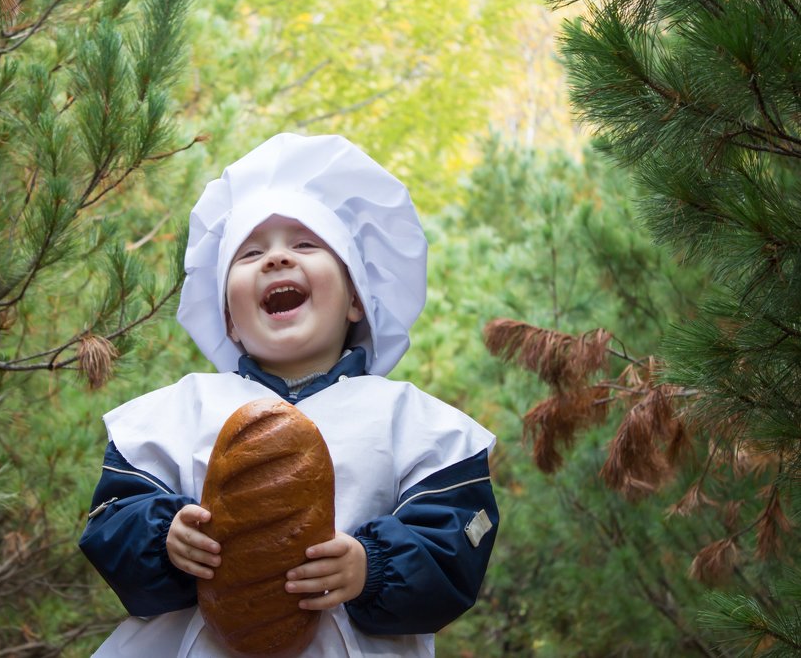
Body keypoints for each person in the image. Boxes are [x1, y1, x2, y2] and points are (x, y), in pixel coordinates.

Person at [79, 133, 499, 657]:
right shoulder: (175, 412)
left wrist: (373, 567)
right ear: (228, 319)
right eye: (250, 253)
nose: (276, 259)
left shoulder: (415, 424)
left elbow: (454, 548)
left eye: (305, 244)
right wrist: (163, 538)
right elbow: (111, 520)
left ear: (355, 300)